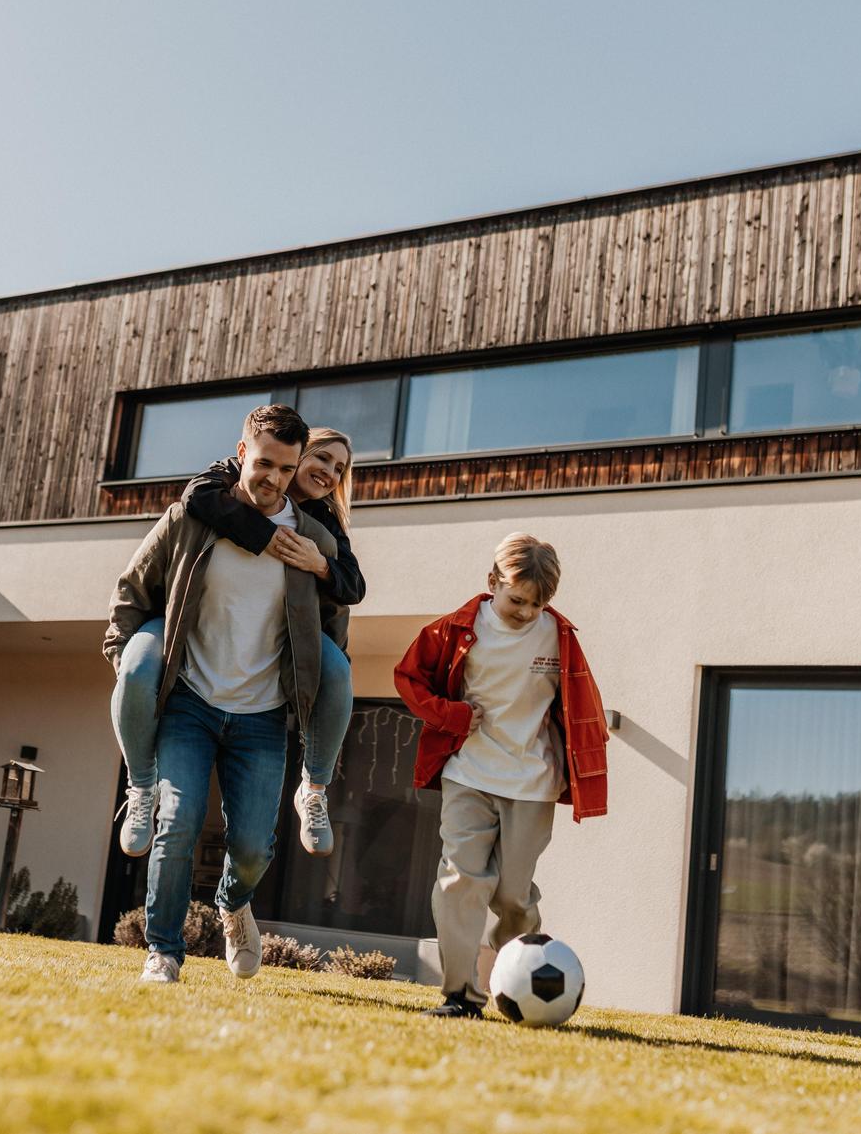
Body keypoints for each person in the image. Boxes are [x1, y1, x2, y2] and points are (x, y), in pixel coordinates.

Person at [103, 405, 345, 984]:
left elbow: (332, 632)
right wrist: (129, 661)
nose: (273, 479)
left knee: (255, 849)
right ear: (241, 454)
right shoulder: (192, 516)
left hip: (261, 715)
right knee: (178, 821)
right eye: (264, 464)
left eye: (286, 469)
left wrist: (313, 696)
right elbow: (133, 591)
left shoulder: (310, 539)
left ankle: (233, 905)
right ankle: (163, 950)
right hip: (191, 700)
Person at [110, 427, 363, 859]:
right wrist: (265, 537)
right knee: (137, 666)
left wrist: (320, 565)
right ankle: (141, 788)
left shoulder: (321, 521)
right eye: (322, 460)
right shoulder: (225, 479)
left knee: (338, 670)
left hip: (271, 651)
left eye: (339, 469)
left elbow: (350, 589)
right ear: (295, 455)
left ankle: (314, 790)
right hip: (181, 620)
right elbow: (195, 500)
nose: (329, 473)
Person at [393, 533, 610, 1018]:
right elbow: (408, 678)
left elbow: (583, 709)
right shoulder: (453, 630)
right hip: (468, 772)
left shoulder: (560, 638)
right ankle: (459, 996)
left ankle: (513, 977)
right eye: (517, 599)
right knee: (460, 880)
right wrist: (449, 716)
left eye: (537, 604)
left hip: (532, 782)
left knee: (512, 898)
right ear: (492, 581)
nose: (526, 612)